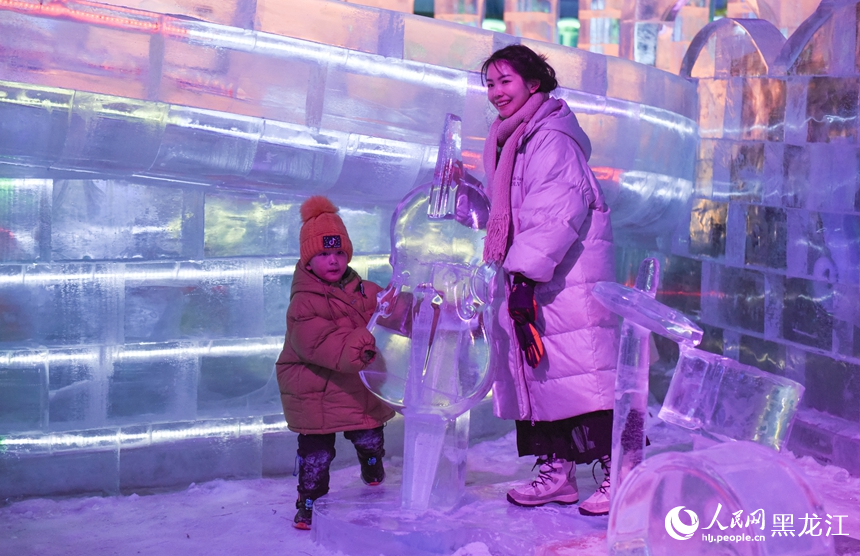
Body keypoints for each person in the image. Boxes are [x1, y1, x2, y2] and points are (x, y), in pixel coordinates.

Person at [480, 44, 619, 516]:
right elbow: (511, 212)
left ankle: (617, 471)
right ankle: (557, 472)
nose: (496, 92)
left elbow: (556, 212)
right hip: (539, 276)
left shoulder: (550, 137)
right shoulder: (512, 136)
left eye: (505, 81)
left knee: (583, 377)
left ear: (533, 83)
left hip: (564, 278)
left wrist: (522, 278)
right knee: (543, 377)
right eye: (490, 83)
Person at [275, 195, 396, 530]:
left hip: (356, 384)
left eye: (339, 253)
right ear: (308, 260)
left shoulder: (363, 291)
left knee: (369, 435)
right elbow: (317, 343)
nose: (333, 261)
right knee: (316, 453)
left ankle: (372, 462)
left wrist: (400, 305)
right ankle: (308, 499)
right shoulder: (303, 302)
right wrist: (360, 344)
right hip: (314, 386)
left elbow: (386, 311)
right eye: (323, 254)